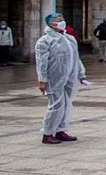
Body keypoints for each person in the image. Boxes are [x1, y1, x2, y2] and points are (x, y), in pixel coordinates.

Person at [36, 12, 85, 144]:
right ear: (51, 23)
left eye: (62, 19)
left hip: (69, 77)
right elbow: (41, 62)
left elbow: (76, 57)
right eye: (58, 20)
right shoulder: (44, 41)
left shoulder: (69, 39)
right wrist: (42, 80)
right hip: (54, 78)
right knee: (56, 105)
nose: (61, 22)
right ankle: (47, 133)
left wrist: (81, 73)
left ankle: (60, 130)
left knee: (67, 104)